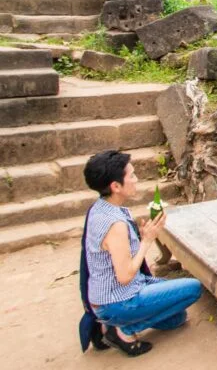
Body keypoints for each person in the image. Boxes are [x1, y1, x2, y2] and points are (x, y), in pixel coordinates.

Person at [78, 150, 202, 357]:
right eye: (132, 175)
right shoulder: (115, 224)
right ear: (116, 186)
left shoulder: (100, 208)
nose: (136, 180)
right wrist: (147, 240)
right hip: (118, 301)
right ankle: (123, 330)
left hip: (115, 295)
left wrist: (140, 237)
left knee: (177, 318)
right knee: (193, 288)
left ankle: (115, 324)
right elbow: (125, 276)